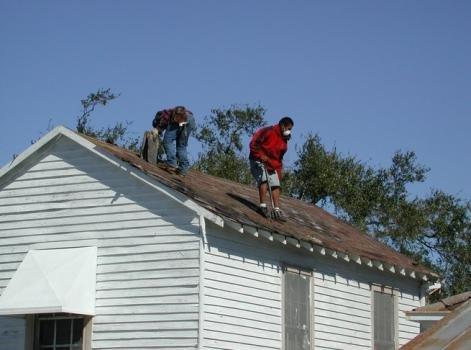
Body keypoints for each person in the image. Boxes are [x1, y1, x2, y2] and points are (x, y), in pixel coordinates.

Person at [249, 116, 294, 221]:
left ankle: (276, 210)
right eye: (289, 129)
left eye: (290, 130)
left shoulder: (284, 141)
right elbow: (253, 143)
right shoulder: (268, 131)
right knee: (264, 178)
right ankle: (263, 206)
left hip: (271, 164)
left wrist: (278, 172)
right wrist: (261, 156)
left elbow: (279, 159)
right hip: (257, 159)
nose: (289, 131)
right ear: (282, 126)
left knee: (276, 184)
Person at [152, 106, 196, 176]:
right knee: (181, 146)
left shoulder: (163, 117)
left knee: (167, 141)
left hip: (180, 118)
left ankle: (171, 163)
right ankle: (183, 170)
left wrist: (157, 130)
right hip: (190, 120)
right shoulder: (167, 113)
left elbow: (161, 128)